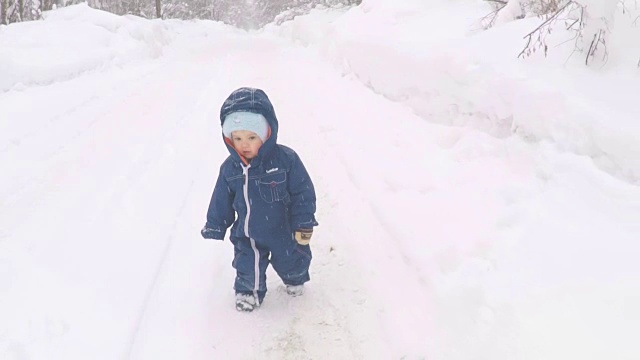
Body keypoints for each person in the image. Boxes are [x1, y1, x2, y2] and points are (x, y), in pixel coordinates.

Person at [201, 87, 319, 312]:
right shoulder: (230, 169)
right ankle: (248, 291)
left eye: (251, 137)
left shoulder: (286, 160)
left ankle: (295, 278)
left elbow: (302, 193)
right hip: (248, 233)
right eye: (237, 138)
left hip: (282, 229)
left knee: (292, 259)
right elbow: (221, 199)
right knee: (247, 264)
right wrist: (216, 224)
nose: (244, 144)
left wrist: (304, 223)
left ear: (266, 135)